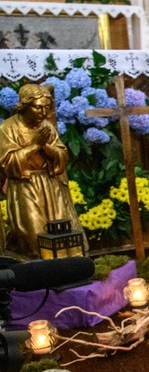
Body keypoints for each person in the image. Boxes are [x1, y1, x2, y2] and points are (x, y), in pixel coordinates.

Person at [0, 84, 87, 258]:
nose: (43, 113)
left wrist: (47, 147)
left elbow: (61, 153)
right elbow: (7, 161)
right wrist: (35, 145)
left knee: (63, 233)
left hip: (50, 184)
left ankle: (70, 267)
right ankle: (40, 272)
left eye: (47, 108)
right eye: (38, 107)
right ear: (25, 105)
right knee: (35, 236)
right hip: (25, 186)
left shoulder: (46, 125)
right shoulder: (8, 128)